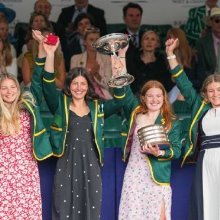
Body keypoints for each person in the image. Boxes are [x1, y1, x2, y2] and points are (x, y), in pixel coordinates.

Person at [32, 30, 127, 219]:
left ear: (88, 87)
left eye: (83, 84)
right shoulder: (60, 105)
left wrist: (120, 64)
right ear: (69, 85)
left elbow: (119, 100)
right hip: (66, 162)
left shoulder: (97, 107)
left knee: (90, 207)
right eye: (75, 83)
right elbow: (48, 85)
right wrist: (50, 54)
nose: (79, 87)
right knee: (63, 207)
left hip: (91, 164)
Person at [115, 47, 182, 220]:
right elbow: (123, 87)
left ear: (164, 98)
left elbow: (176, 150)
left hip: (158, 175)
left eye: (158, 96)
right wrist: (121, 56)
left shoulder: (171, 121)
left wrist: (159, 152)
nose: (154, 99)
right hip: (135, 173)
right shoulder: (135, 112)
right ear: (143, 98)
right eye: (150, 96)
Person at [0, 30, 53, 218]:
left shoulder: (27, 105)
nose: (9, 92)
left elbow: (37, 80)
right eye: (4, 88)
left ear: (18, 88)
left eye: (12, 87)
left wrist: (41, 49)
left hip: (26, 171)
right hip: (2, 173)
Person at [166, 37, 220, 220]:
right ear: (205, 93)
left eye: (219, 90)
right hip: (206, 162)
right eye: (211, 90)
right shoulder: (200, 106)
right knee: (207, 203)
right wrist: (170, 55)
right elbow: (183, 83)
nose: (215, 94)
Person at [127, 30, 174, 95]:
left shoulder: (162, 62)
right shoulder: (132, 60)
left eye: (153, 39)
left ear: (157, 44)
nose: (149, 42)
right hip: (135, 97)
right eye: (146, 39)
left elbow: (166, 85)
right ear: (142, 43)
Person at [70, 26, 112, 100]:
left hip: (103, 96)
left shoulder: (107, 59)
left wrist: (96, 74)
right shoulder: (75, 59)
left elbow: (108, 85)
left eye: (97, 39)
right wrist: (90, 74)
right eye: (91, 39)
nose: (94, 42)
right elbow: (73, 82)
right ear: (85, 42)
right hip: (80, 95)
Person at [196, 7, 220, 87]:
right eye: (217, 21)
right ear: (211, 22)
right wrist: (213, 82)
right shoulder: (202, 43)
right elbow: (201, 69)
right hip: (211, 84)